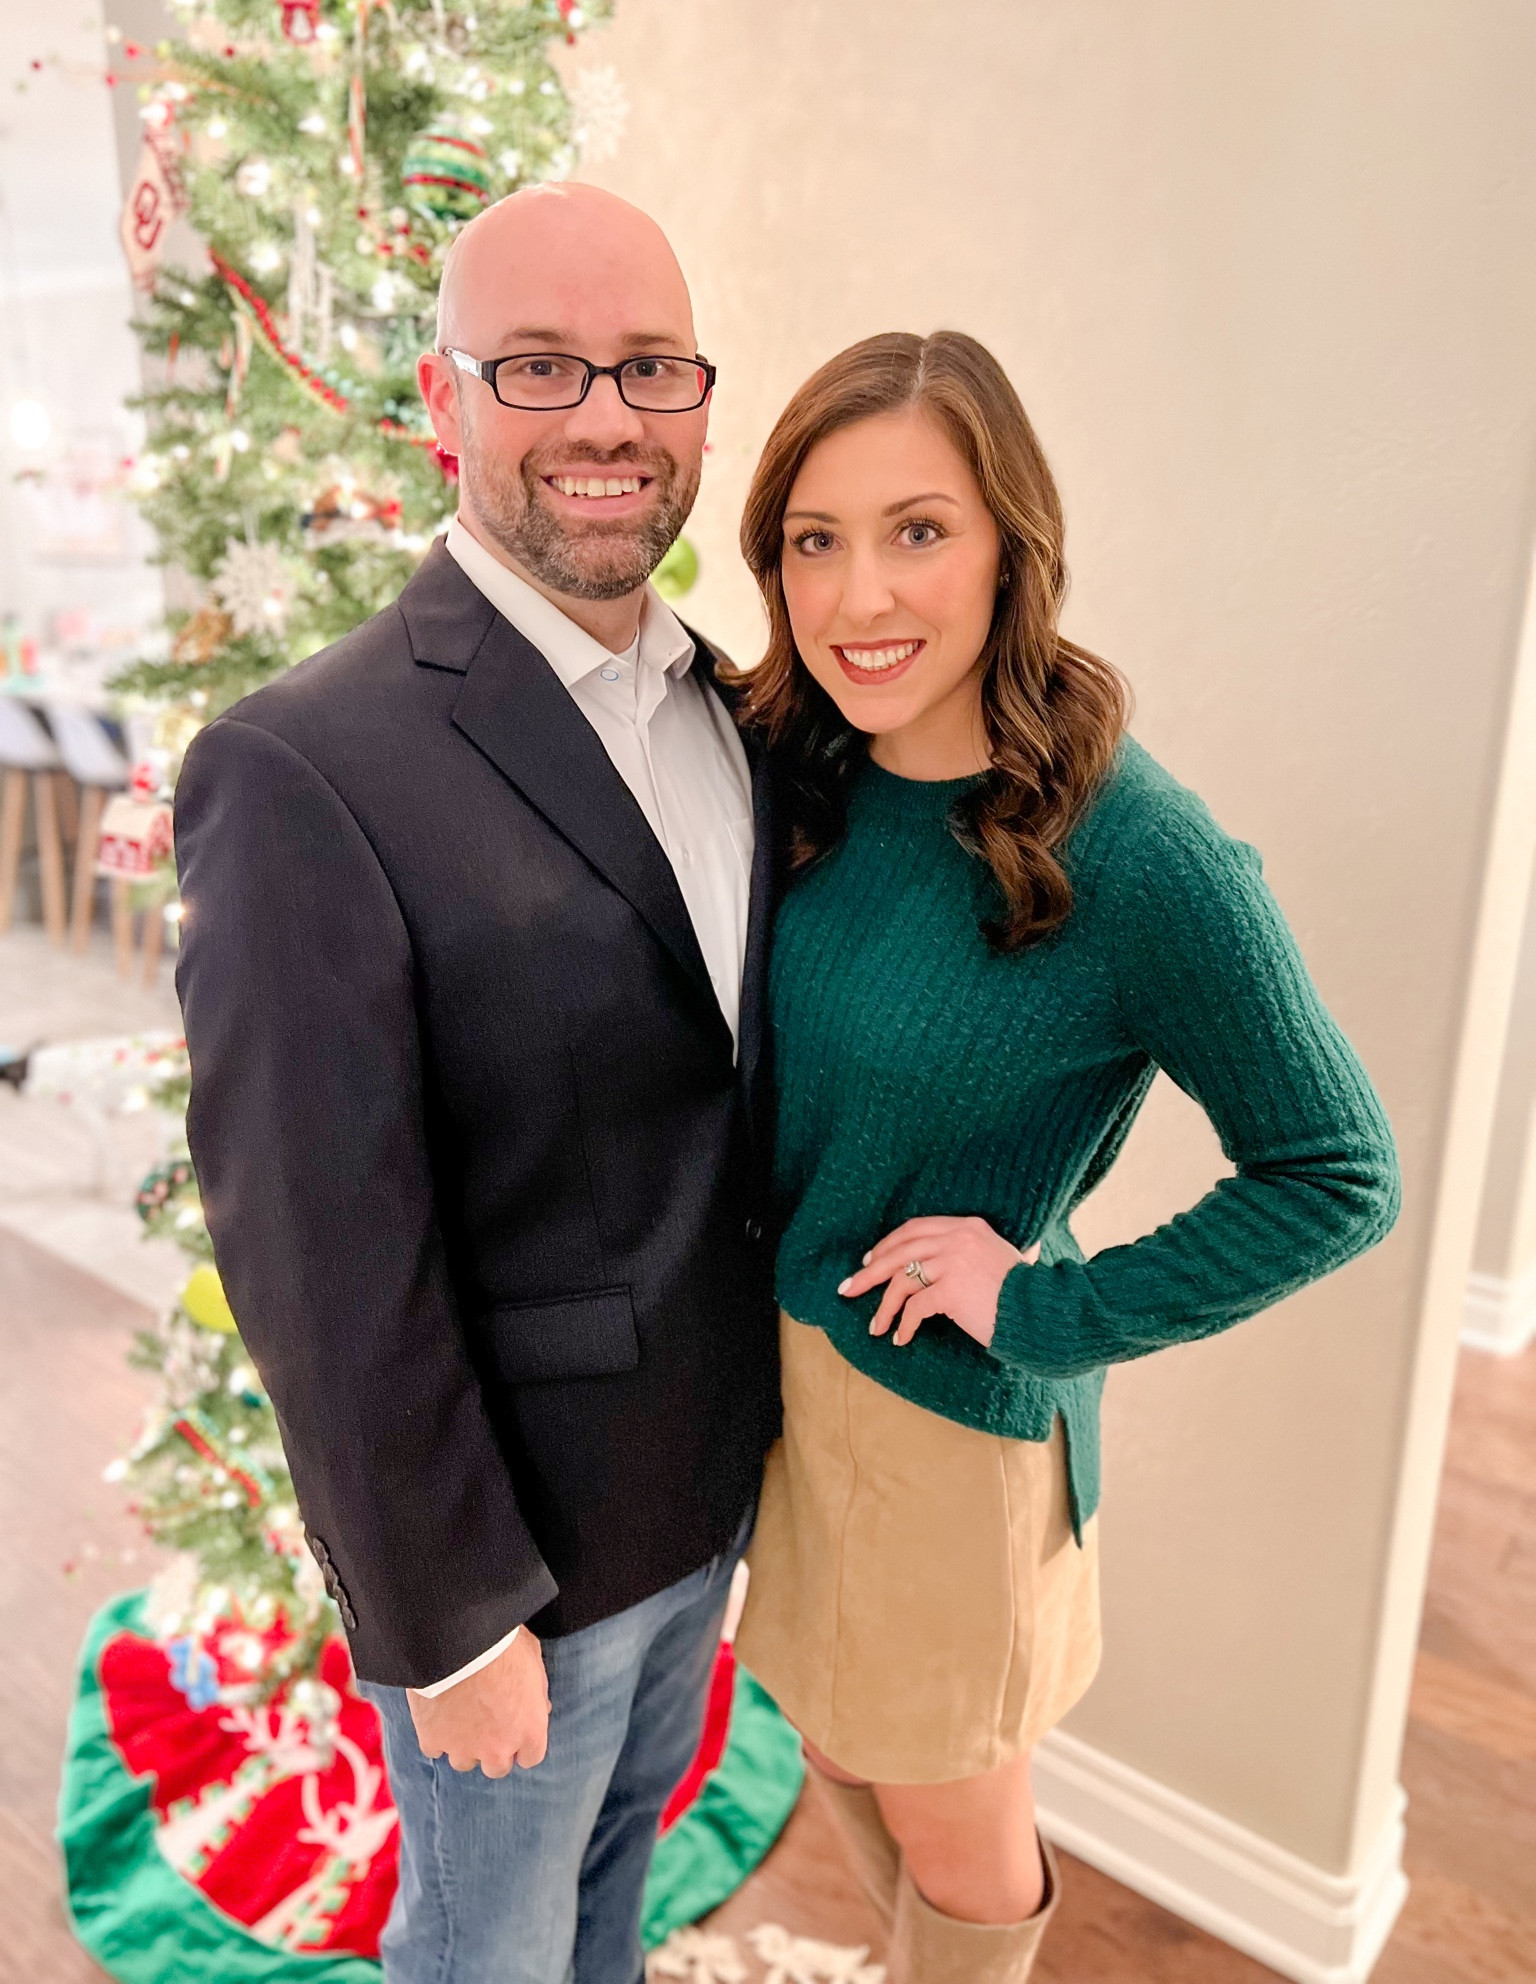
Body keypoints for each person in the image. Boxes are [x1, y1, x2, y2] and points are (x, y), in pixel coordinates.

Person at [728, 330, 1401, 1984]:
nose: (860, 594)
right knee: (835, 1751)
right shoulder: (794, 770)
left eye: (919, 530)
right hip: (786, 1389)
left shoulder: (1137, 850)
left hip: (946, 1441)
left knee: (961, 1849)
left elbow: (1336, 1169)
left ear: (1012, 543)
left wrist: (1045, 1306)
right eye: (816, 539)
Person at [172, 185, 780, 1984]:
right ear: (446, 405)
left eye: (649, 368)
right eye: (539, 367)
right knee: (485, 1954)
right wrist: (443, 1621)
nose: (604, 416)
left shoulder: (743, 709)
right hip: (509, 1568)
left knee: (613, 1903)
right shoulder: (301, 762)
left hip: (706, 1507)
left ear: (695, 404)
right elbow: (312, 1250)